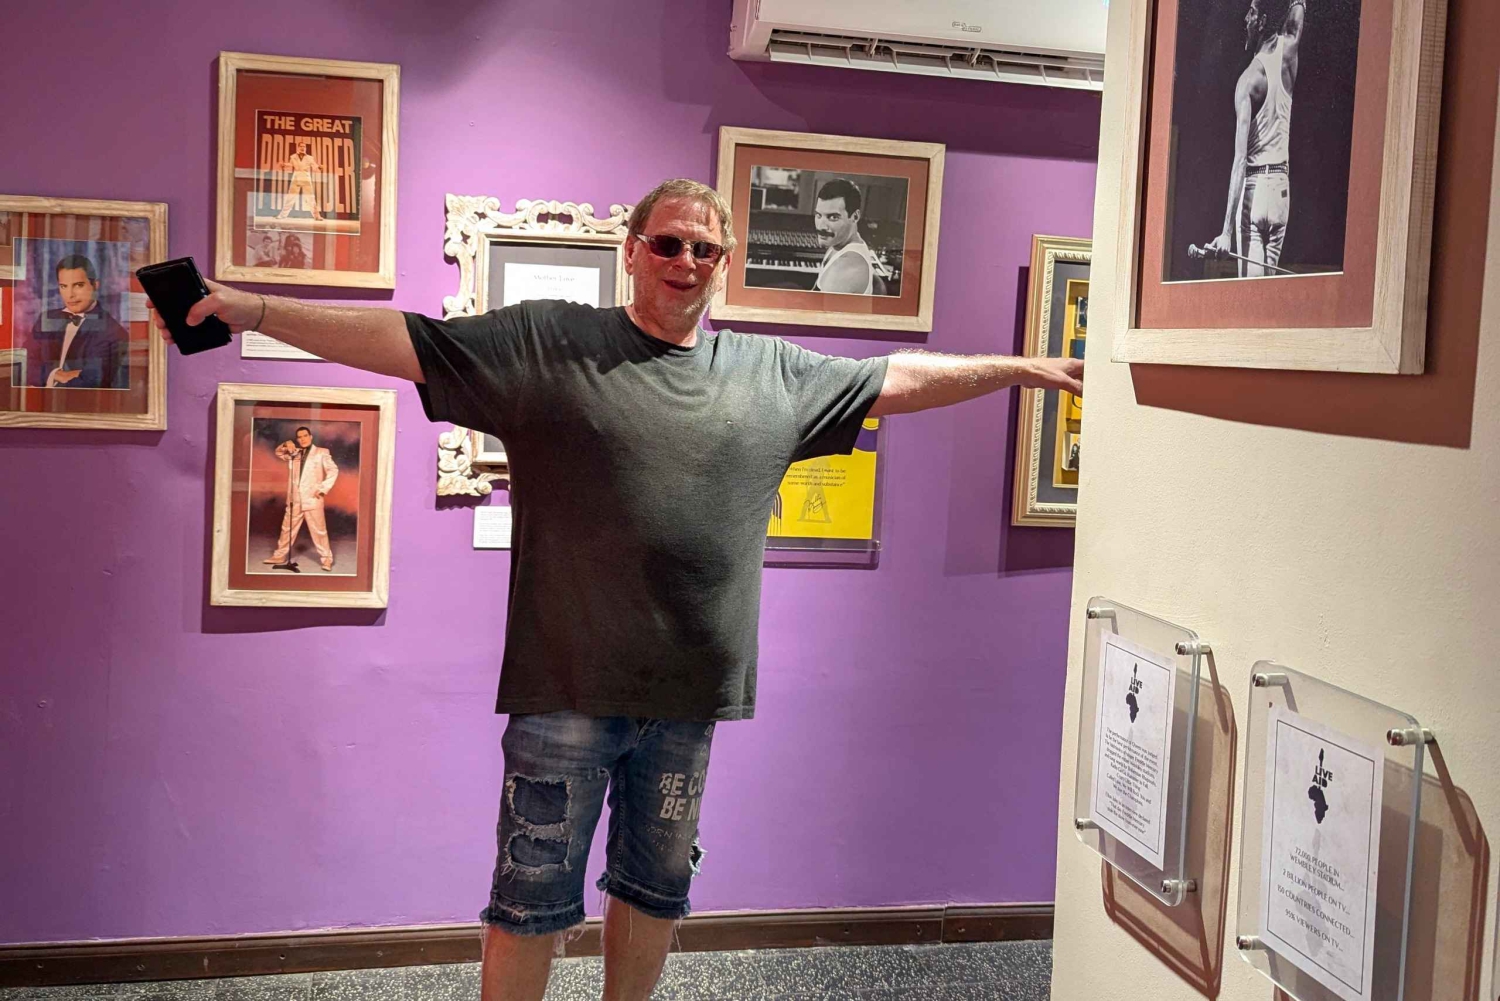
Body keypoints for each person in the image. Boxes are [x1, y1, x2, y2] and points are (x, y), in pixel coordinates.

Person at [149, 178, 1082, 1001]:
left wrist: (1020, 369)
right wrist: (255, 308)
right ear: (632, 251)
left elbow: (898, 377)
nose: (686, 261)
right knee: (531, 894)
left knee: (655, 888)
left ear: (725, 264)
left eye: (704, 249)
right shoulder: (551, 343)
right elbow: (408, 341)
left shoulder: (773, 374)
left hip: (688, 697)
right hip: (566, 687)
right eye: (668, 242)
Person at [1202, 0, 1307, 277]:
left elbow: (1240, 160)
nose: (1245, 19)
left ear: (1261, 22)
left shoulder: (1248, 81)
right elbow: (1298, 8)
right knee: (1266, 293)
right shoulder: (1289, 49)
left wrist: (1226, 232)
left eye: (1251, 13)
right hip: (1281, 192)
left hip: (1255, 191)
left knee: (1252, 295)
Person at [28, 253, 129, 389]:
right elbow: (26, 366)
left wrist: (45, 377)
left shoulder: (113, 333)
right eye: (64, 286)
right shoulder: (46, 319)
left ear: (95, 285)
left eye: (78, 285)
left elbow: (90, 382)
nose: (70, 295)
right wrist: (56, 374)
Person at [264, 425, 339, 572]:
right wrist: (286, 443)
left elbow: (333, 470)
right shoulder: (294, 453)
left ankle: (326, 559)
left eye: (305, 436)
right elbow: (279, 452)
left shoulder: (321, 452)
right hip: (295, 499)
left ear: (311, 437)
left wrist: (323, 489)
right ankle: (279, 556)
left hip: (313, 498)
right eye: (299, 437)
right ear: (297, 440)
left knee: (319, 531)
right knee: (287, 529)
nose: (303, 439)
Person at [811, 178, 884, 295]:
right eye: (818, 215)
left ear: (855, 217)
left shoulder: (846, 267)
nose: (821, 226)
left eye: (833, 217)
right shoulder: (839, 242)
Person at [276, 140, 325, 221]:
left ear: (306, 148)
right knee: (290, 197)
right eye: (301, 146)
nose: (302, 148)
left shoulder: (310, 158)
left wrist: (319, 167)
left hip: (306, 178)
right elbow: (291, 164)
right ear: (298, 147)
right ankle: (282, 215)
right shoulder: (293, 156)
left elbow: (315, 167)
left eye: (304, 146)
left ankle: (317, 216)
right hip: (296, 178)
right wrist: (284, 165)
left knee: (311, 198)